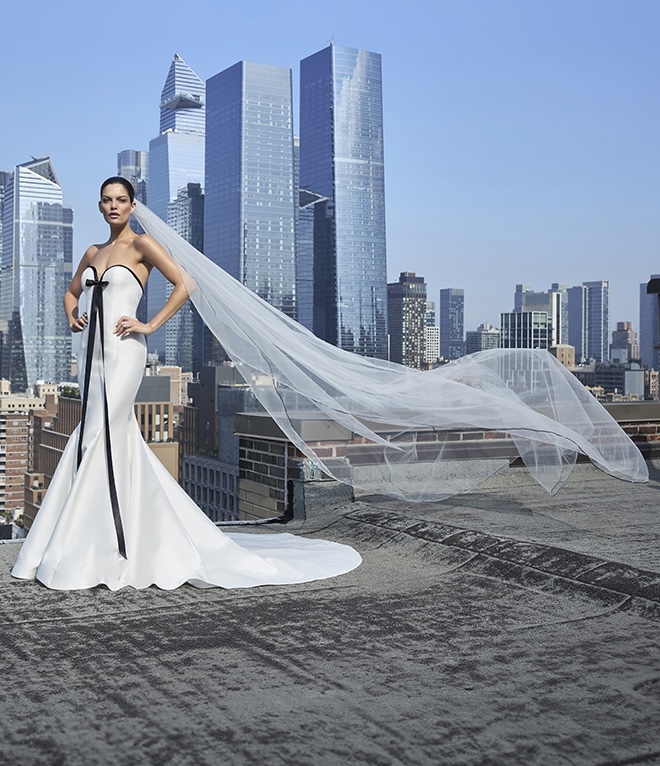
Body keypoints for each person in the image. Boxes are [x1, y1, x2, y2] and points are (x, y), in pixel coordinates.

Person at [10, 177, 362, 590]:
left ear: (133, 205)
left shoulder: (142, 246)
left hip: (125, 353)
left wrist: (148, 325)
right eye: (106, 200)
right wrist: (73, 317)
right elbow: (73, 295)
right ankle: (102, 539)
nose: (113, 206)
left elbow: (186, 284)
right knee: (99, 436)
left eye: (121, 200)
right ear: (100, 205)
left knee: (102, 435)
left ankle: (94, 548)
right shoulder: (92, 252)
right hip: (92, 359)